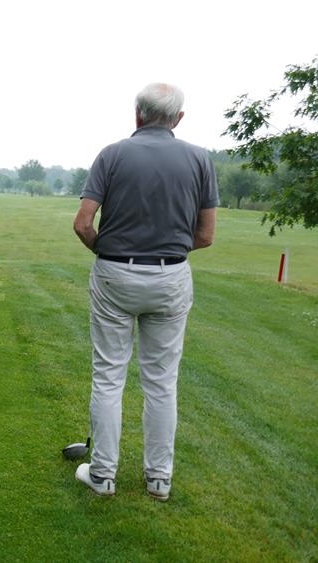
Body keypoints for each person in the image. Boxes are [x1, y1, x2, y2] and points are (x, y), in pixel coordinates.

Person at [71, 83, 218, 501]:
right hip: (171, 276)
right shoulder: (200, 160)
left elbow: (83, 223)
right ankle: (158, 480)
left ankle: (103, 475)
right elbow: (205, 236)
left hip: (115, 273)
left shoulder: (112, 154)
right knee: (161, 382)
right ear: (179, 119)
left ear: (137, 113)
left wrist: (107, 252)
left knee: (108, 376)